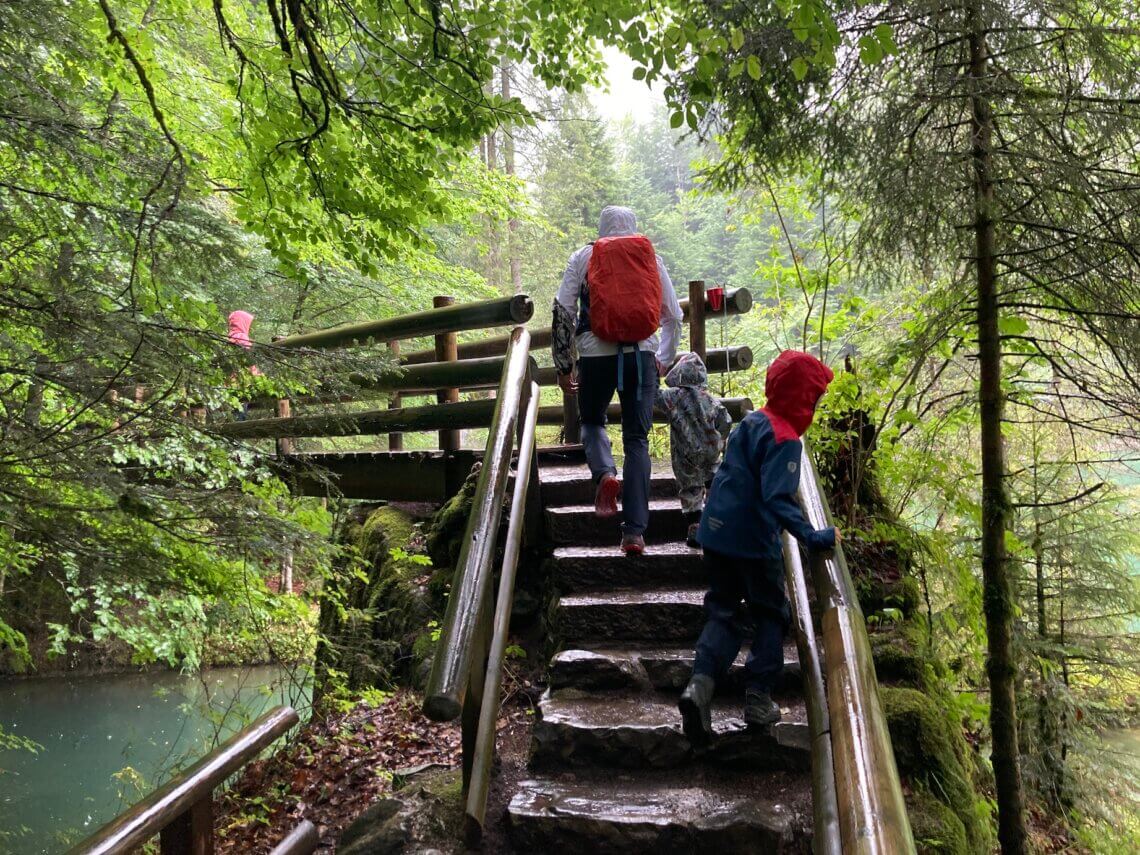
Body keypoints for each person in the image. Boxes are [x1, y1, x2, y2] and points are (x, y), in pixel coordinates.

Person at [678, 350, 839, 745]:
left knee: (724, 612)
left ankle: (700, 685)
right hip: (752, 541)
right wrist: (812, 536)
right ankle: (758, 696)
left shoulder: (751, 421)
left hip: (715, 534)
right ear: (803, 399)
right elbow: (778, 498)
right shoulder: (785, 439)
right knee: (771, 614)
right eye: (814, 399)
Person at [552, 205, 683, 555]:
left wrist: (564, 365)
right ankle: (635, 533)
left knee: (592, 420)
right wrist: (664, 360)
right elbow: (673, 315)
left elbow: (563, 310)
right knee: (637, 439)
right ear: (634, 228)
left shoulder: (585, 256)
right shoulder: (649, 258)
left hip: (595, 356)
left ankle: (606, 474)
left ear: (602, 228)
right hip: (641, 356)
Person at [656, 352, 732, 548]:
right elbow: (725, 419)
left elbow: (655, 396)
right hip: (711, 449)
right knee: (712, 479)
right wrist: (721, 439)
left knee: (690, 487)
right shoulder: (709, 399)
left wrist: (652, 373)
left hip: (686, 452)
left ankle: (695, 527)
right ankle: (717, 522)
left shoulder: (673, 396)